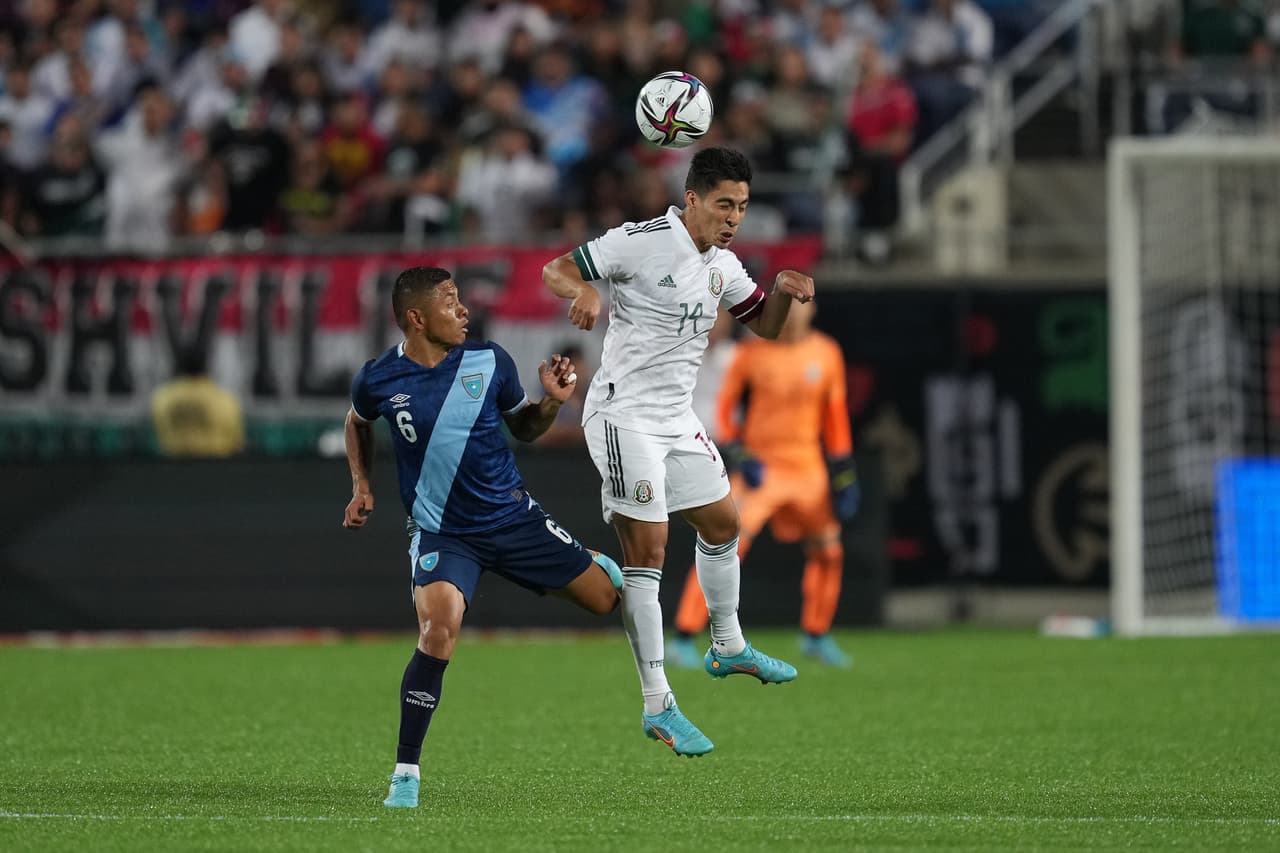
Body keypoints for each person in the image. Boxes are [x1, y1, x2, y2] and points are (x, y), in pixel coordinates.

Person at [542, 147, 815, 757]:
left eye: (742, 207)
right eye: (724, 204)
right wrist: (581, 289)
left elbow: (763, 326)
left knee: (724, 523)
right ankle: (658, 704)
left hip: (674, 419)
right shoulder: (639, 241)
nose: (734, 218)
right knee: (651, 551)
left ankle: (727, 644)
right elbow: (556, 268)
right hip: (621, 416)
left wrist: (783, 292)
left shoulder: (722, 264)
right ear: (691, 198)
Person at [342, 266, 623, 808]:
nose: (464, 310)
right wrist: (360, 485)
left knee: (605, 600)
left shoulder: (490, 361)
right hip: (443, 535)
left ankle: (582, 557)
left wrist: (552, 402)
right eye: (451, 302)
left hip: (513, 520)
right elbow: (357, 421)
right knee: (438, 630)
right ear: (417, 318)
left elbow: (525, 427)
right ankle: (406, 772)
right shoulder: (378, 378)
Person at [669, 299, 860, 670]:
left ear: (813, 309)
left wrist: (843, 471)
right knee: (724, 547)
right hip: (762, 468)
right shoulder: (752, 352)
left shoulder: (826, 353)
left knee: (829, 551)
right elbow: (724, 409)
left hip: (808, 469)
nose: (792, 312)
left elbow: (835, 415)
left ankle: (816, 635)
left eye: (799, 304)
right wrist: (738, 452)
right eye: (785, 304)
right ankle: (684, 636)